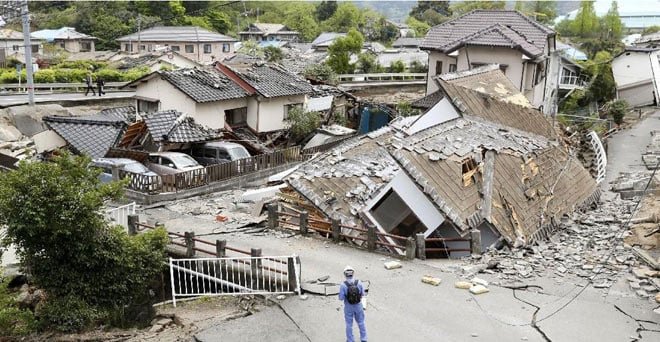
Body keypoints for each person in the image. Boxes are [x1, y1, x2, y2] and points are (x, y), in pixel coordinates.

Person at [338, 265, 367, 342]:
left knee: (349, 324)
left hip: (348, 307)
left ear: (345, 274)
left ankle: (350, 340)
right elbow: (363, 294)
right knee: (361, 322)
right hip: (358, 306)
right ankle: (364, 339)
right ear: (353, 273)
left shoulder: (343, 285)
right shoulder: (359, 282)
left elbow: (341, 298)